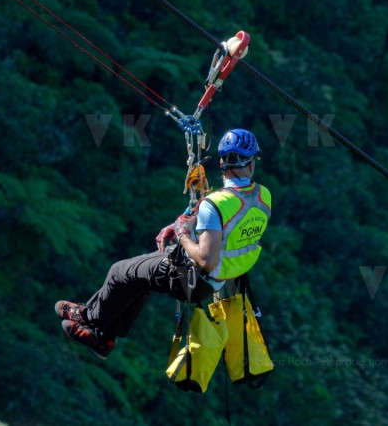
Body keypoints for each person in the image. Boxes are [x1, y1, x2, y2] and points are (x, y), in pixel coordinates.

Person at [55, 128, 272, 359]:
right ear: (251, 163)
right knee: (136, 276)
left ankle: (90, 320)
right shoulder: (263, 197)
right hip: (212, 281)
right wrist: (182, 221)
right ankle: (104, 338)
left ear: (222, 162)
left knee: (119, 272)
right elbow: (227, 218)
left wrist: (181, 233)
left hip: (192, 277)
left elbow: (206, 259)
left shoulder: (215, 203)